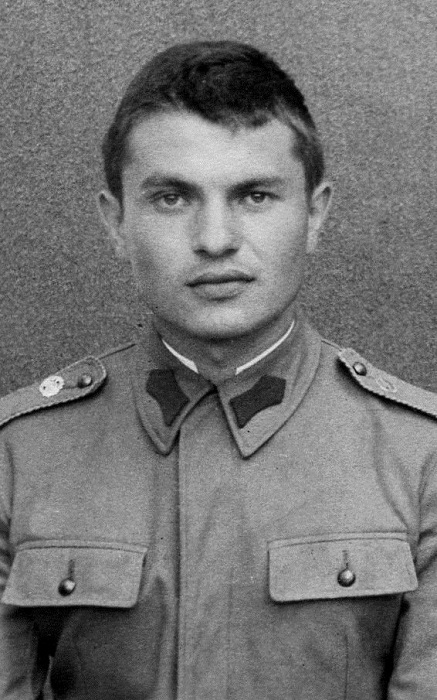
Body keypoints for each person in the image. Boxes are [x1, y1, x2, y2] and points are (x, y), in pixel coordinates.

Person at [0, 40, 436, 700]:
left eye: (254, 196)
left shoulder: (421, 458)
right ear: (116, 223)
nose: (214, 239)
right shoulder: (19, 455)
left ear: (314, 214)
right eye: (172, 198)